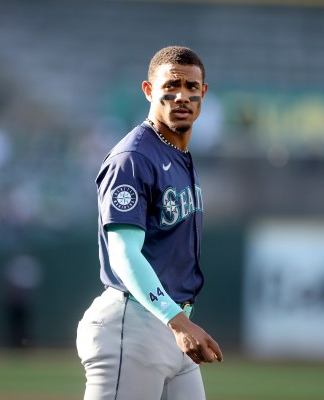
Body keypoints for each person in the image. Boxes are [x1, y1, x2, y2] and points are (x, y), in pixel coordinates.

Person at [76, 45, 223, 400]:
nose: (182, 96)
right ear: (149, 90)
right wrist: (179, 321)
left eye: (191, 87)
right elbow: (124, 254)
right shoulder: (134, 158)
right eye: (171, 85)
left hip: (169, 324)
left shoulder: (177, 153)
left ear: (203, 93)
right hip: (135, 324)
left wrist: (177, 321)